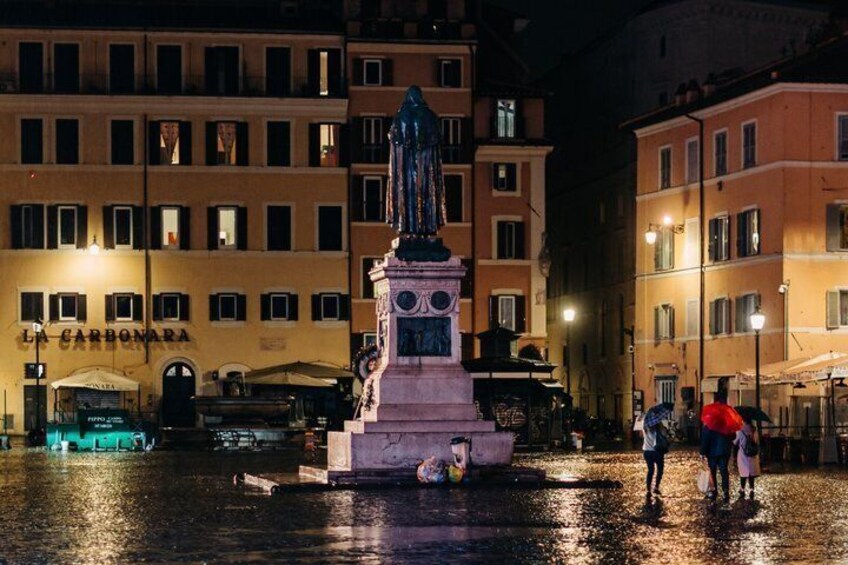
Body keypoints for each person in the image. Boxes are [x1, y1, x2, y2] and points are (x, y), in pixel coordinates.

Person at [700, 390, 734, 502]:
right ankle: (725, 492)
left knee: (713, 472)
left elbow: (705, 439)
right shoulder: (727, 424)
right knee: (724, 472)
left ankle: (714, 491)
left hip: (712, 453)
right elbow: (733, 436)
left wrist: (702, 452)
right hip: (724, 451)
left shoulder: (709, 425)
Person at [734, 418, 761, 499]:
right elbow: (757, 441)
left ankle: (742, 489)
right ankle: (752, 489)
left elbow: (735, 442)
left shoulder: (740, 430)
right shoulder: (754, 430)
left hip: (743, 454)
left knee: (743, 472)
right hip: (753, 454)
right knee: (751, 473)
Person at [642, 421, 667, 498]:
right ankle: (656, 487)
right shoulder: (659, 429)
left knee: (651, 470)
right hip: (657, 452)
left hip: (647, 452)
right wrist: (661, 424)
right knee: (660, 470)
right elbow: (665, 435)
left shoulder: (645, 428)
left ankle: (649, 490)